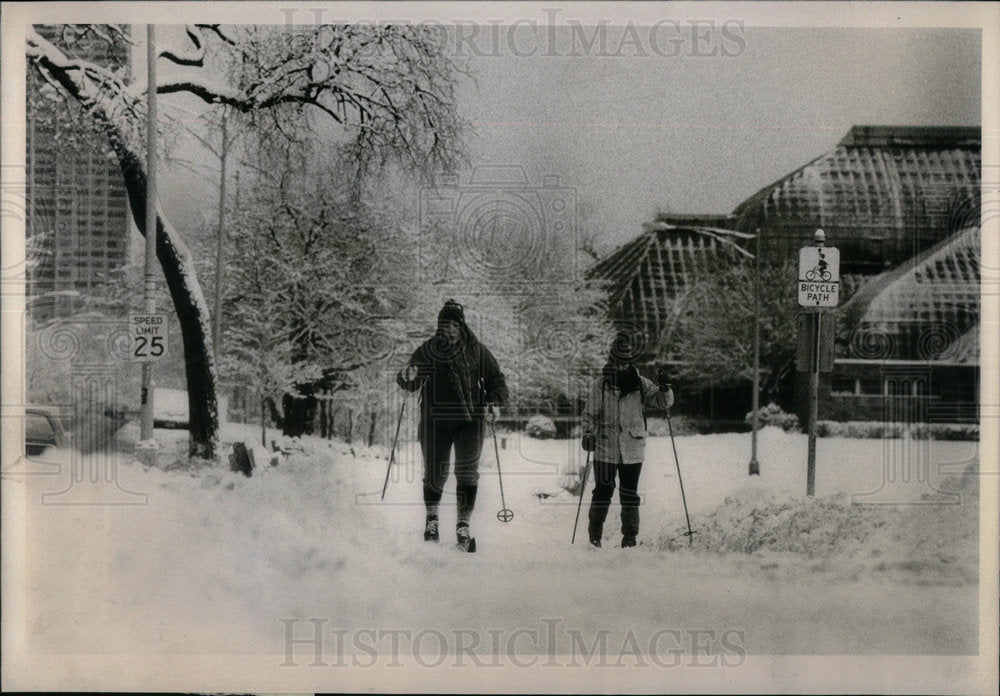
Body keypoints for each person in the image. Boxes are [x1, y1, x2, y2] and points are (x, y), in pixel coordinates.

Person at [397, 300, 509, 552]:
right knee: (435, 472)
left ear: (462, 326)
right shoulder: (429, 350)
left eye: (454, 324)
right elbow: (411, 378)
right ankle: (432, 521)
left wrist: (494, 400)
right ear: (439, 327)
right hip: (435, 420)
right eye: (444, 324)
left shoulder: (477, 351)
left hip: (470, 421)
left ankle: (463, 526)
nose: (449, 329)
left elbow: (497, 381)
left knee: (467, 471)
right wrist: (408, 376)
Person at [581, 331, 674, 548]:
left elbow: (663, 402)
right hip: (605, 447)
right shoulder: (602, 385)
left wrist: (665, 387)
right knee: (602, 491)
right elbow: (588, 414)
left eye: (625, 362)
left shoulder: (640, 384)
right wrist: (587, 432)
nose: (621, 366)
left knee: (629, 493)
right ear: (612, 361)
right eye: (617, 362)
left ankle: (630, 538)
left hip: (633, 448)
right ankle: (594, 535)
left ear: (629, 362)